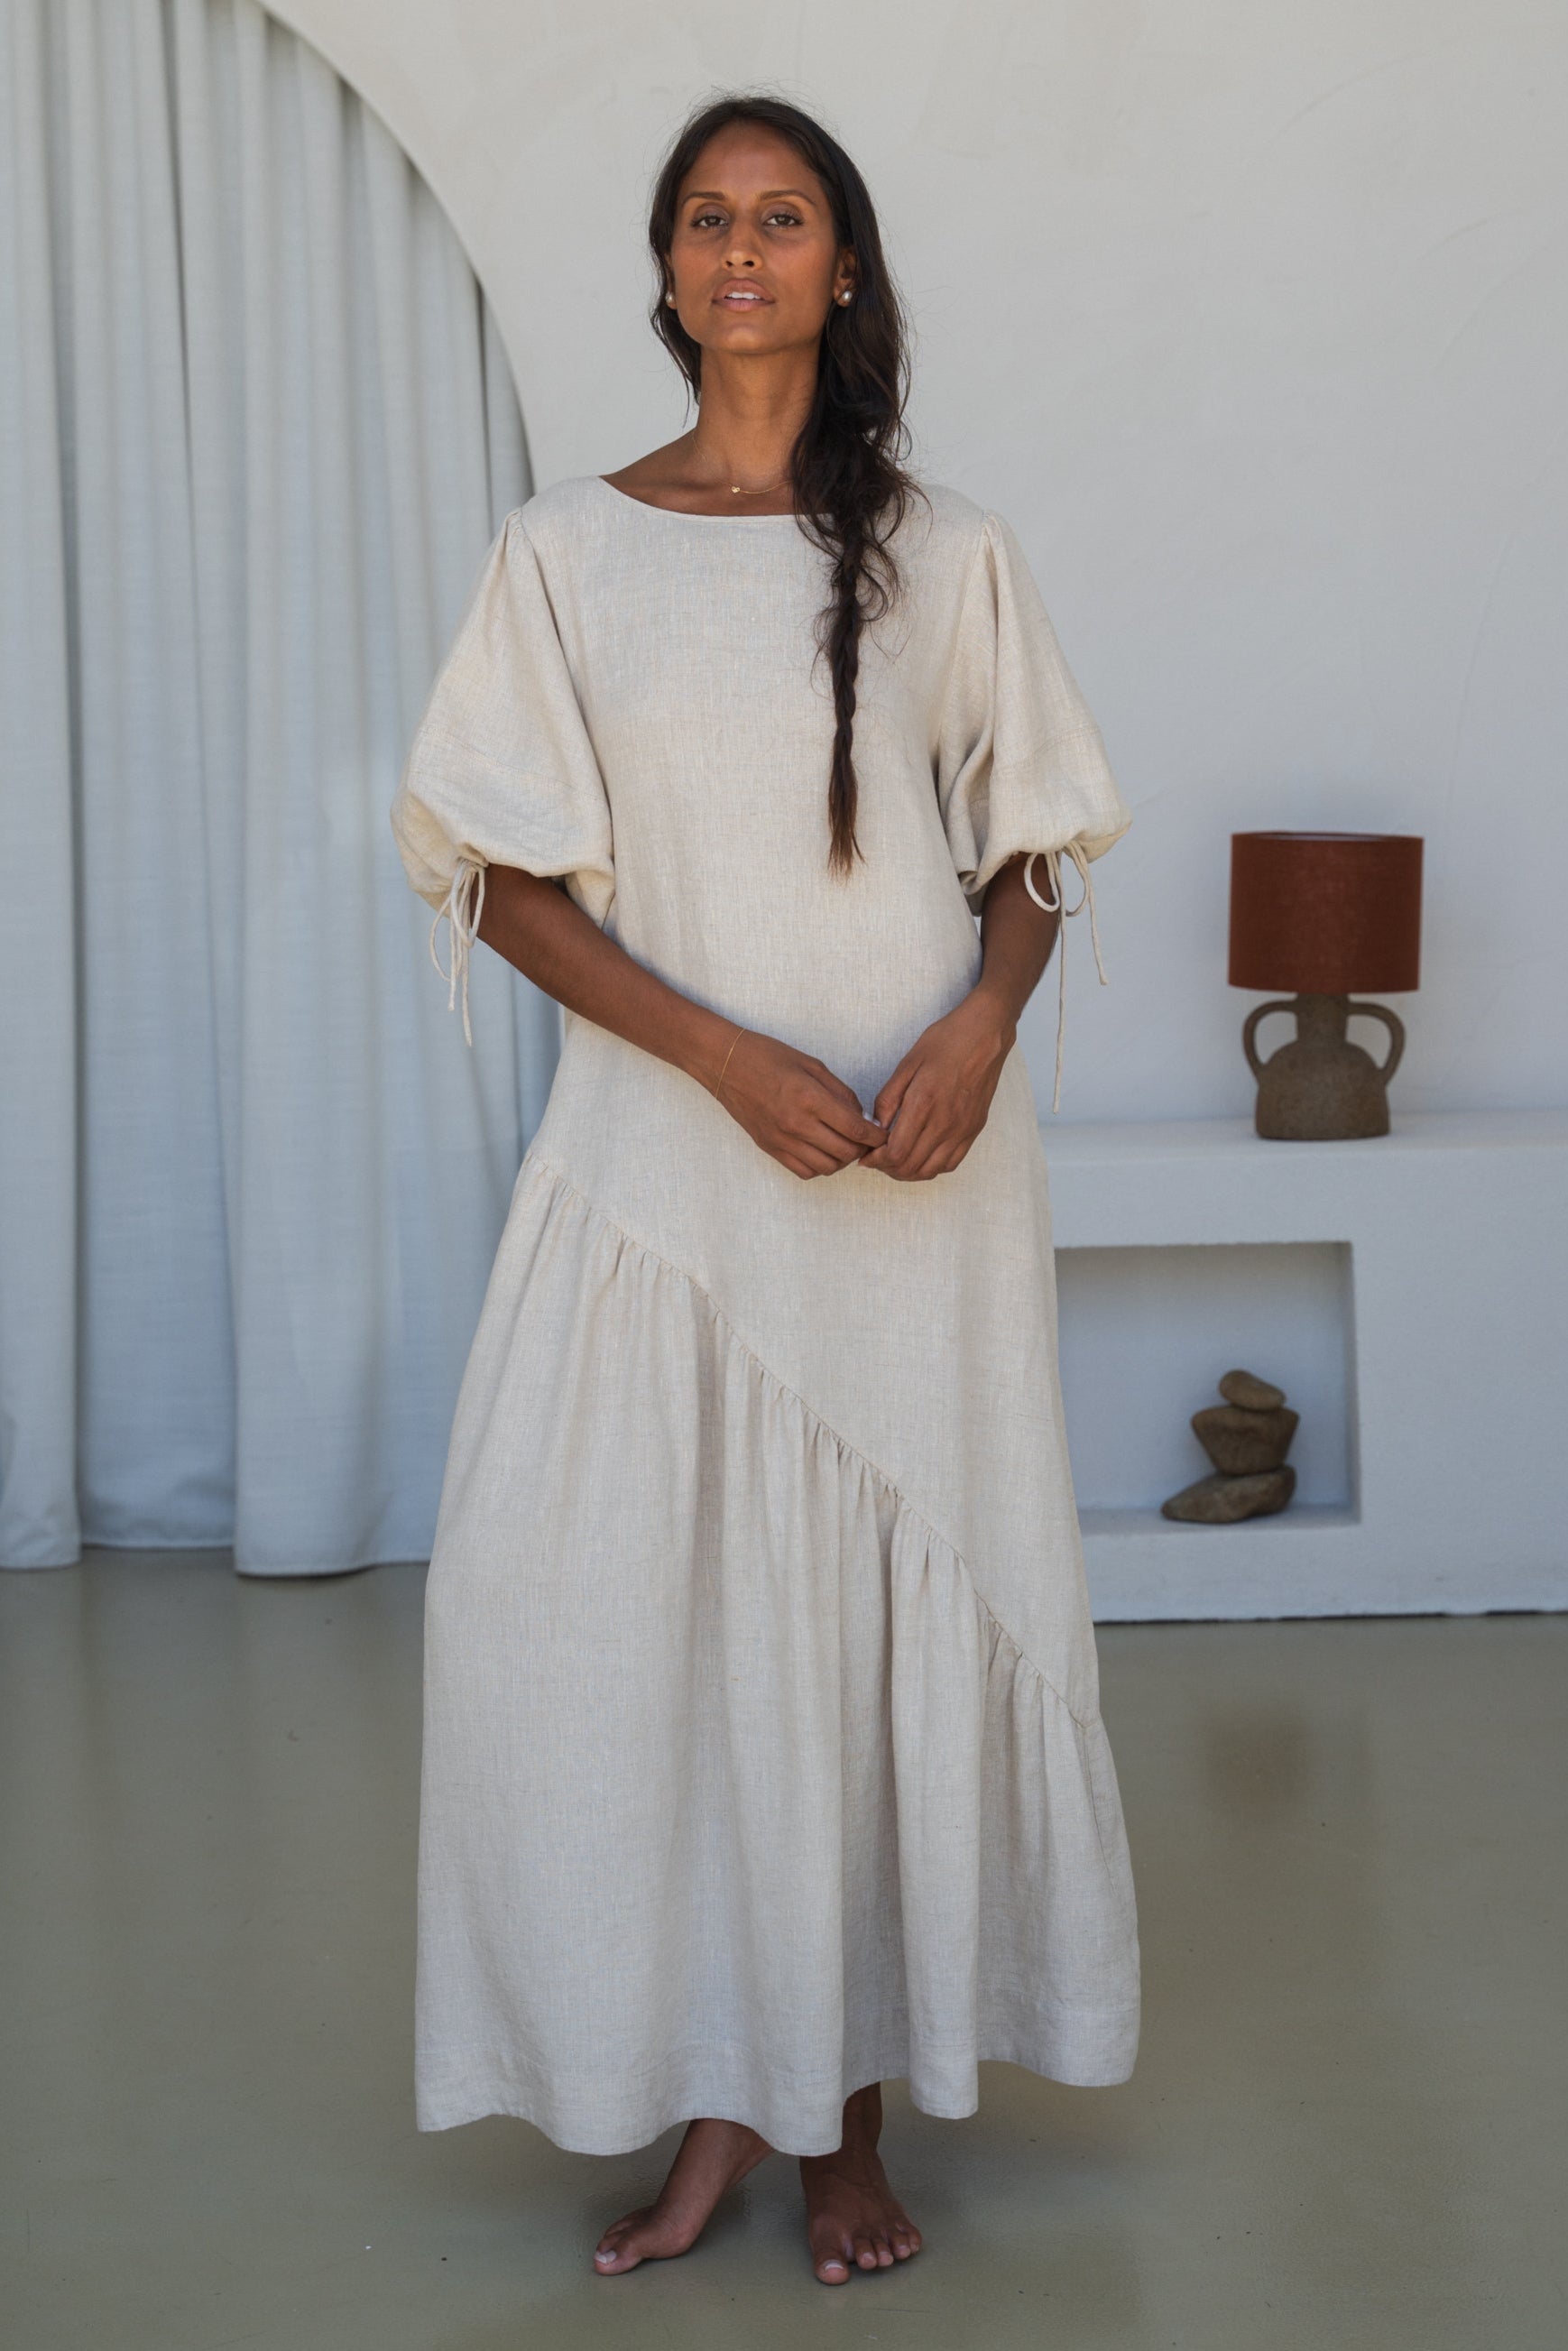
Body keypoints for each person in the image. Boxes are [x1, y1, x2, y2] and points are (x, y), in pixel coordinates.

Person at [391, 90, 1139, 2290]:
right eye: (706, 218)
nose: (741, 250)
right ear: (664, 267)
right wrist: (719, 1058)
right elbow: (495, 875)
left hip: (911, 1162)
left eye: (781, 216)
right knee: (628, 1620)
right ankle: (724, 2085)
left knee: (858, 1627)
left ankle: (840, 2125)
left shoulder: (948, 547)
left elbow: (1029, 851)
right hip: (666, 1155)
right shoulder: (560, 547)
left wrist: (977, 1027)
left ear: (840, 266)